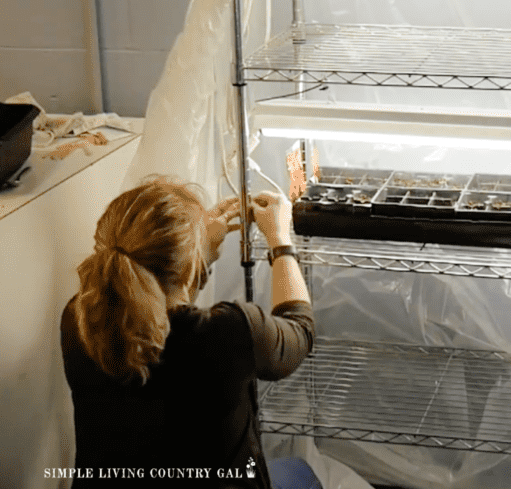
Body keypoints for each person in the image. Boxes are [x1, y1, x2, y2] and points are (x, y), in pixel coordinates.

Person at [60, 176, 318, 488]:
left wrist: (197, 254)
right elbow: (299, 328)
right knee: (300, 474)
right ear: (187, 265)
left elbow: (158, 303)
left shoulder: (81, 318)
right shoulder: (229, 332)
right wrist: (280, 240)